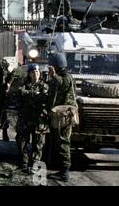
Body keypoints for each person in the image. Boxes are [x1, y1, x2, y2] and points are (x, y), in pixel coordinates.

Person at [47, 53, 76, 182]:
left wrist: (54, 76)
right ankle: (61, 168)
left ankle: (65, 172)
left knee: (64, 142)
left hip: (65, 115)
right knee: (58, 141)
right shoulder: (59, 76)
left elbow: (62, 84)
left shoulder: (66, 77)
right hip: (58, 114)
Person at [16, 64, 49, 173]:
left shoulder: (45, 86)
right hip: (25, 118)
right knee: (22, 141)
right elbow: (20, 93)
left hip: (39, 120)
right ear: (29, 74)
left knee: (38, 143)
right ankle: (24, 162)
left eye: (38, 71)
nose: (36, 73)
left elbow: (45, 97)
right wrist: (35, 95)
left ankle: (35, 164)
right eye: (33, 71)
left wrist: (31, 96)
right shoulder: (24, 85)